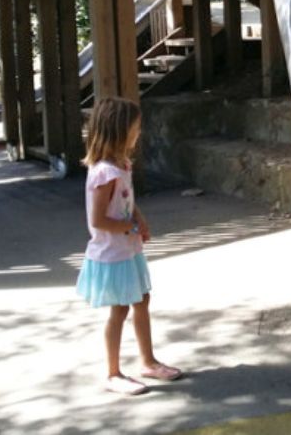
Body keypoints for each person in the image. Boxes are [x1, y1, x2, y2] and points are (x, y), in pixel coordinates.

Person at [75, 97, 181, 395]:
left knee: (142, 301)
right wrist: (130, 227)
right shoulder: (104, 172)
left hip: (128, 249)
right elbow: (98, 220)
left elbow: (125, 203)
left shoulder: (122, 165)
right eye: (135, 128)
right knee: (119, 310)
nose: (139, 133)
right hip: (112, 253)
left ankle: (148, 361)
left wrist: (139, 219)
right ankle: (113, 373)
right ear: (119, 131)